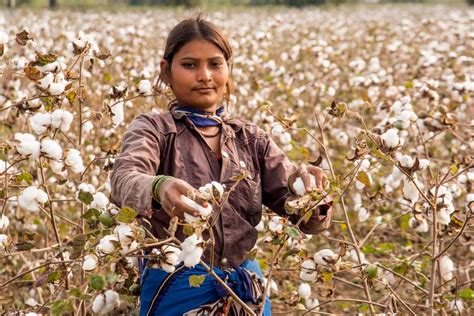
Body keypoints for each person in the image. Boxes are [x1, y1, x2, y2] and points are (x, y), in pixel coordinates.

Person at [110, 15, 333, 316]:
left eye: (215, 64)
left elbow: (302, 216)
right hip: (176, 285)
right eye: (189, 65)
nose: (204, 76)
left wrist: (313, 195)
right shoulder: (154, 129)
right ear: (167, 71)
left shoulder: (251, 138)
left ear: (228, 69)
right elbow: (124, 178)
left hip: (245, 288)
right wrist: (159, 186)